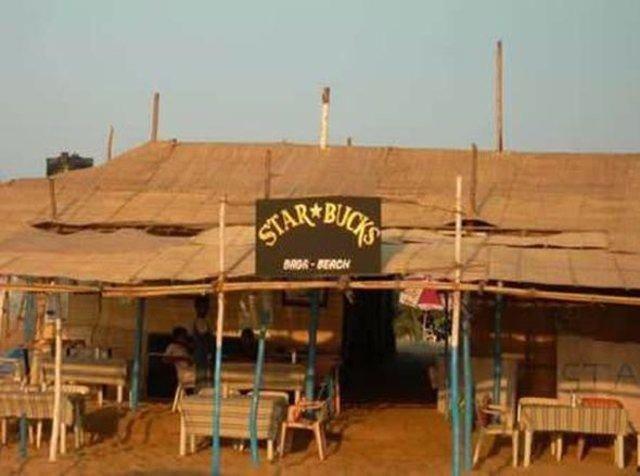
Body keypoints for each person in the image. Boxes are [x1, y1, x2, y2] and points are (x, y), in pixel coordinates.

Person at [192, 296, 214, 388]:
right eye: (202, 307)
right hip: (202, 353)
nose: (205, 310)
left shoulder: (204, 321)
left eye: (206, 307)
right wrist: (209, 352)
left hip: (203, 353)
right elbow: (204, 338)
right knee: (203, 376)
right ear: (197, 308)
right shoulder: (200, 322)